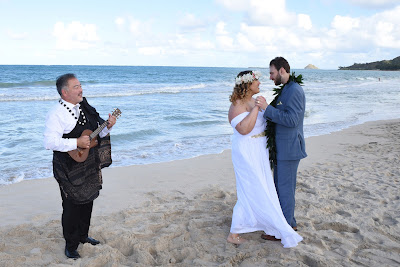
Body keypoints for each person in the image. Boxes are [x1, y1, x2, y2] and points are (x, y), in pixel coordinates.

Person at [44, 73, 117, 259]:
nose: (81, 89)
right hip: (67, 167)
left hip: (88, 163)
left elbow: (96, 135)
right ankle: (71, 244)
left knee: (88, 200)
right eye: (76, 86)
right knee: (70, 206)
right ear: (64, 92)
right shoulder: (56, 113)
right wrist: (76, 142)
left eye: (80, 85)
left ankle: (83, 236)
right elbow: (50, 142)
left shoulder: (85, 107)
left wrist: (108, 126)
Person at [227, 70, 303, 248]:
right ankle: (234, 233)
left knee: (262, 188)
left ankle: (257, 221)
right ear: (247, 84)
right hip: (246, 152)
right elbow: (244, 129)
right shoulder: (237, 104)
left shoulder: (255, 100)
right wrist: (256, 109)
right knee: (249, 189)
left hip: (259, 151)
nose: (260, 83)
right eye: (257, 81)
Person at [256, 57, 307, 237]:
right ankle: (288, 224)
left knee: (284, 190)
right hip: (282, 148)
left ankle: (285, 229)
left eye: (272, 72)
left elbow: (292, 120)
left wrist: (267, 109)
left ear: (282, 70)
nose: (270, 77)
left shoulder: (294, 90)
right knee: (281, 188)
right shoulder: (287, 88)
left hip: (290, 149)